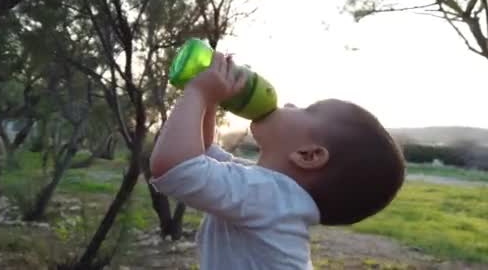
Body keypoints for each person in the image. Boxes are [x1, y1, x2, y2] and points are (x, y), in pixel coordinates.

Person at [149, 52, 405, 269]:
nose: (291, 103)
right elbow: (203, 154)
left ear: (308, 155)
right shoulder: (273, 196)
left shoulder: (271, 198)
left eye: (307, 110)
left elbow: (176, 167)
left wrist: (197, 92)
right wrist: (210, 101)